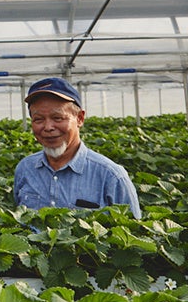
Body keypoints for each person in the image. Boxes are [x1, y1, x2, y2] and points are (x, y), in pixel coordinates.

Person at [14, 77, 141, 218]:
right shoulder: (25, 169)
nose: (48, 127)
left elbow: (133, 232)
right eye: (38, 119)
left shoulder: (111, 176)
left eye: (58, 118)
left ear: (80, 118)